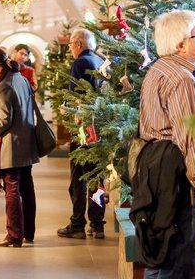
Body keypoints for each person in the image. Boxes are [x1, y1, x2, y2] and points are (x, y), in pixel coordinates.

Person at [130, 10, 195, 278]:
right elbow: (190, 137)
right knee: (179, 259)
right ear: (181, 44)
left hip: (155, 172)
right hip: (177, 179)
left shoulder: (158, 70)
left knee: (161, 253)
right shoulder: (181, 79)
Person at [0, 47, 40, 247]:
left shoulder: (3, 85)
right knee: (27, 188)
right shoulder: (21, 78)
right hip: (27, 141)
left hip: (12, 146)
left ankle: (14, 235)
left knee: (12, 189)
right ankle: (28, 232)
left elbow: (4, 120)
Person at [57, 28, 105, 240]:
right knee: (96, 176)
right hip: (99, 127)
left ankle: (77, 223)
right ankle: (97, 224)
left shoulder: (80, 63)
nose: (70, 49)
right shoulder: (98, 60)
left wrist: (66, 109)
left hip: (83, 128)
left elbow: (75, 95)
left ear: (78, 44)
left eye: (70, 45)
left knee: (78, 176)